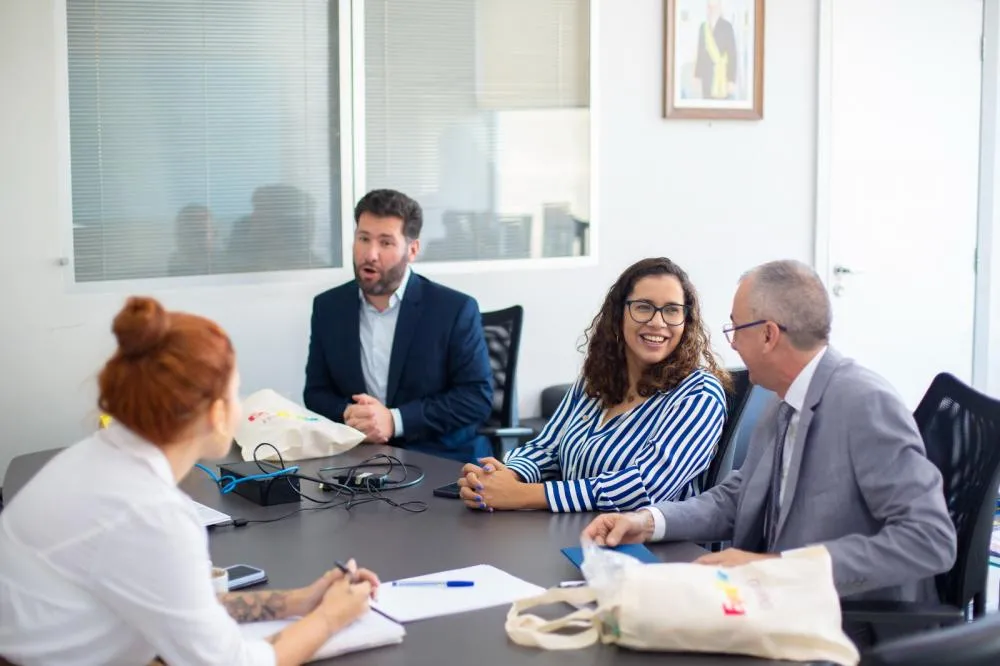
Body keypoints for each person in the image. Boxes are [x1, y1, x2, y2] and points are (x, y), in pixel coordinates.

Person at [582, 260, 957, 644]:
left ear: (768, 335)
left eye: (735, 328)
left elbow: (929, 540)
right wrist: (647, 521)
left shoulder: (865, 403)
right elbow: (738, 497)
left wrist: (776, 568)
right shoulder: (784, 398)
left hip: (845, 624)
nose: (731, 343)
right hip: (775, 603)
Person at [0, 297, 380, 666]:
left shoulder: (96, 458)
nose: (240, 405)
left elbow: (181, 604)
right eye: (236, 394)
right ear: (216, 414)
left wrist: (298, 601)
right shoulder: (151, 514)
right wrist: (330, 618)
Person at [456, 257, 729, 513]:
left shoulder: (699, 393)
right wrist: (503, 477)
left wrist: (523, 495)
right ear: (619, 314)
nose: (658, 322)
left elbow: (646, 487)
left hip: (649, 551)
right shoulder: (596, 379)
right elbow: (548, 448)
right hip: (569, 532)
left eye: (671, 310)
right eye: (644, 307)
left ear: (686, 320)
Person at [304, 189, 493, 462]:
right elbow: (315, 392)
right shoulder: (329, 307)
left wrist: (395, 420)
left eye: (386, 243)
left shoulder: (453, 309)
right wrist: (349, 413)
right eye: (363, 239)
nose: (370, 254)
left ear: (412, 250)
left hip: (439, 457)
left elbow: (476, 398)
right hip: (360, 457)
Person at [694, 0, 738, 99]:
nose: (712, 10)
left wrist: (731, 80)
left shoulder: (727, 26)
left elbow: (732, 54)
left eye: (714, 7)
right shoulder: (703, 27)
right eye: (709, 7)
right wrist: (697, 76)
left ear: (719, 8)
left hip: (723, 76)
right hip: (707, 75)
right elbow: (700, 53)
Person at [168, 204, 216, 276]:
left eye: (202, 233)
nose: (197, 240)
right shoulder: (174, 265)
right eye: (192, 232)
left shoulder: (225, 265)